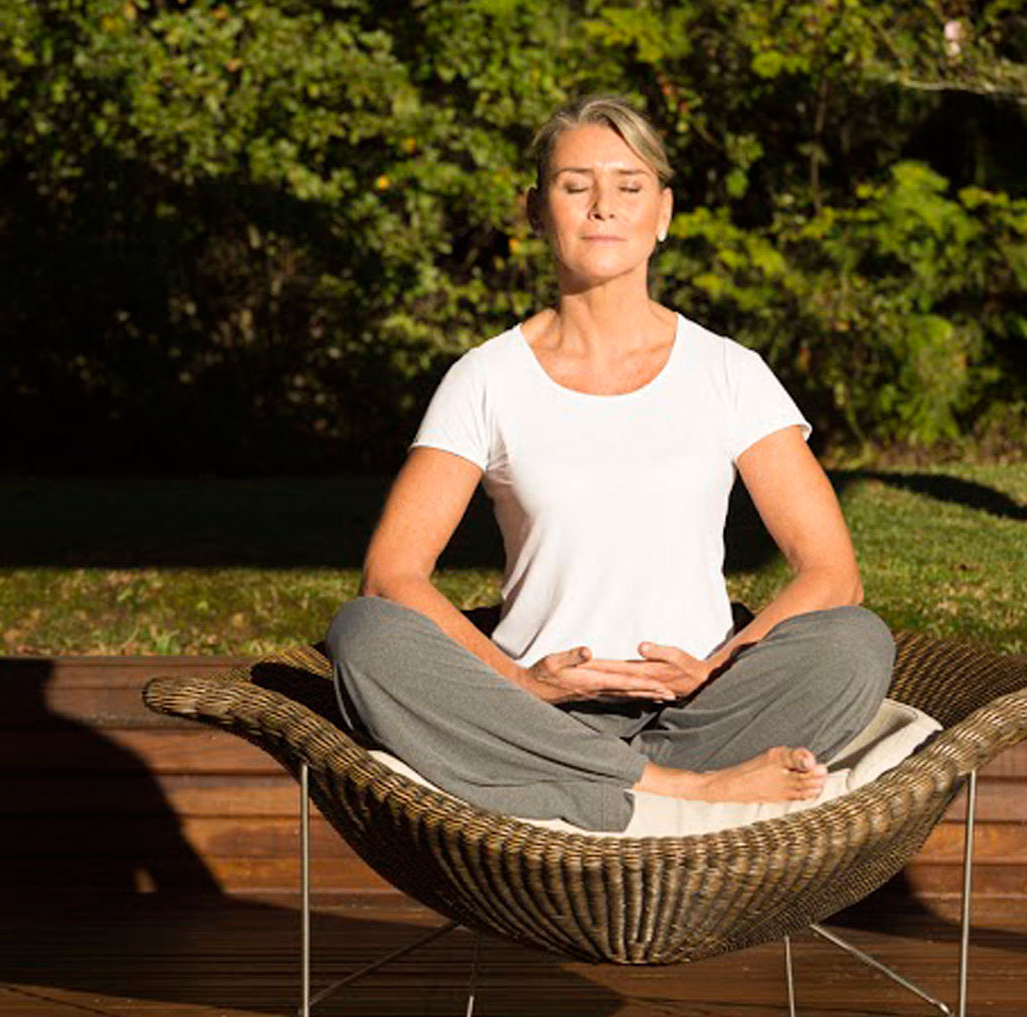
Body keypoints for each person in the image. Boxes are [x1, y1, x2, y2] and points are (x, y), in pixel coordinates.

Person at [325, 94, 894, 833]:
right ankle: (678, 791)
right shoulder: (486, 377)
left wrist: (716, 668)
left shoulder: (729, 371)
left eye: (628, 186)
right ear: (536, 210)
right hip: (531, 712)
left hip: (700, 712)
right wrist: (520, 681)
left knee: (856, 642)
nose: (603, 207)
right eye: (574, 185)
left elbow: (831, 571)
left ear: (662, 212)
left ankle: (589, 788)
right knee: (366, 636)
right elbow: (392, 574)